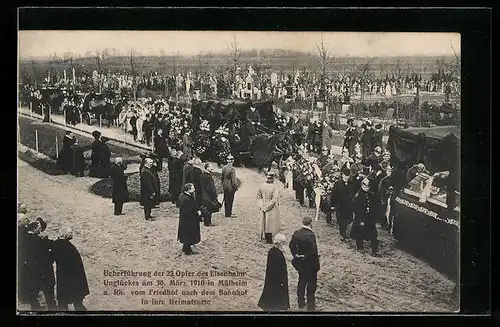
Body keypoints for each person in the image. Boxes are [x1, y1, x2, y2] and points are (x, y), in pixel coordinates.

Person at [50, 227, 89, 311]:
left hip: (62, 277)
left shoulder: (55, 244)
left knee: (62, 301)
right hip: (73, 279)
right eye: (71, 233)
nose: (72, 234)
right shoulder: (70, 249)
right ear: (67, 235)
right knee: (77, 301)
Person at [23, 217, 57, 310]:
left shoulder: (26, 237)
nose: (40, 230)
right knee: (48, 291)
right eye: (40, 228)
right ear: (34, 228)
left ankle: (36, 307)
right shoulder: (38, 241)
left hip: (31, 269)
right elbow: (46, 255)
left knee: (33, 292)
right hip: (42, 270)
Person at [289, 216, 320, 311]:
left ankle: (301, 302)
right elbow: (313, 251)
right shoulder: (310, 235)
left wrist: (296, 255)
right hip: (310, 264)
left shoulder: (296, 233)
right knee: (311, 285)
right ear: (310, 224)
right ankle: (310, 305)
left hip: (301, 263)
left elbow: (291, 246)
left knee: (301, 282)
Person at [257, 233, 290, 311]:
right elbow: (280, 270)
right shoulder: (278, 255)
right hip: (278, 280)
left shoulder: (272, 251)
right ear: (280, 244)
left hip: (271, 278)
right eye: (283, 243)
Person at [350, 178, 379, 256]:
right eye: (365, 186)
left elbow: (374, 205)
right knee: (359, 233)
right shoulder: (358, 196)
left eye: (368, 187)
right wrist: (360, 220)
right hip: (361, 217)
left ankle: (374, 250)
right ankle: (360, 247)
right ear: (362, 186)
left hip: (369, 217)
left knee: (373, 234)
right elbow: (357, 209)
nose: (366, 188)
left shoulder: (371, 194)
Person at [177, 183, 202, 255]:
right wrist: (198, 213)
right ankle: (188, 250)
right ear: (188, 190)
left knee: (186, 234)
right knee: (189, 234)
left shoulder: (183, 197)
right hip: (189, 220)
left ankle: (185, 248)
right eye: (192, 188)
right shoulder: (187, 199)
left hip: (185, 220)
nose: (194, 189)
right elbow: (190, 210)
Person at [257, 171, 282, 244]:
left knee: (264, 221)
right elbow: (274, 200)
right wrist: (267, 207)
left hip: (264, 204)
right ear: (273, 178)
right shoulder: (275, 187)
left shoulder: (261, 186)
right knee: (270, 223)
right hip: (271, 207)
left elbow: (258, 197)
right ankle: (269, 239)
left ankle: (264, 236)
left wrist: (261, 206)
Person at [330, 167, 355, 241]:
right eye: (345, 175)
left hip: (349, 205)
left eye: (348, 176)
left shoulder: (351, 183)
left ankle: (345, 233)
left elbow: (353, 193)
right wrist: (332, 205)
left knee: (348, 220)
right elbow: (333, 195)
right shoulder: (338, 184)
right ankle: (342, 234)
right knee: (341, 220)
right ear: (342, 175)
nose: (347, 177)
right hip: (340, 205)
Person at [200, 162, 218, 227]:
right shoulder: (208, 176)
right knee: (209, 208)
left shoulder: (202, 175)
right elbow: (211, 187)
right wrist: (214, 195)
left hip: (204, 194)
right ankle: (208, 222)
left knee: (206, 208)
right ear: (207, 168)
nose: (212, 168)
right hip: (209, 194)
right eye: (210, 167)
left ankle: (207, 222)